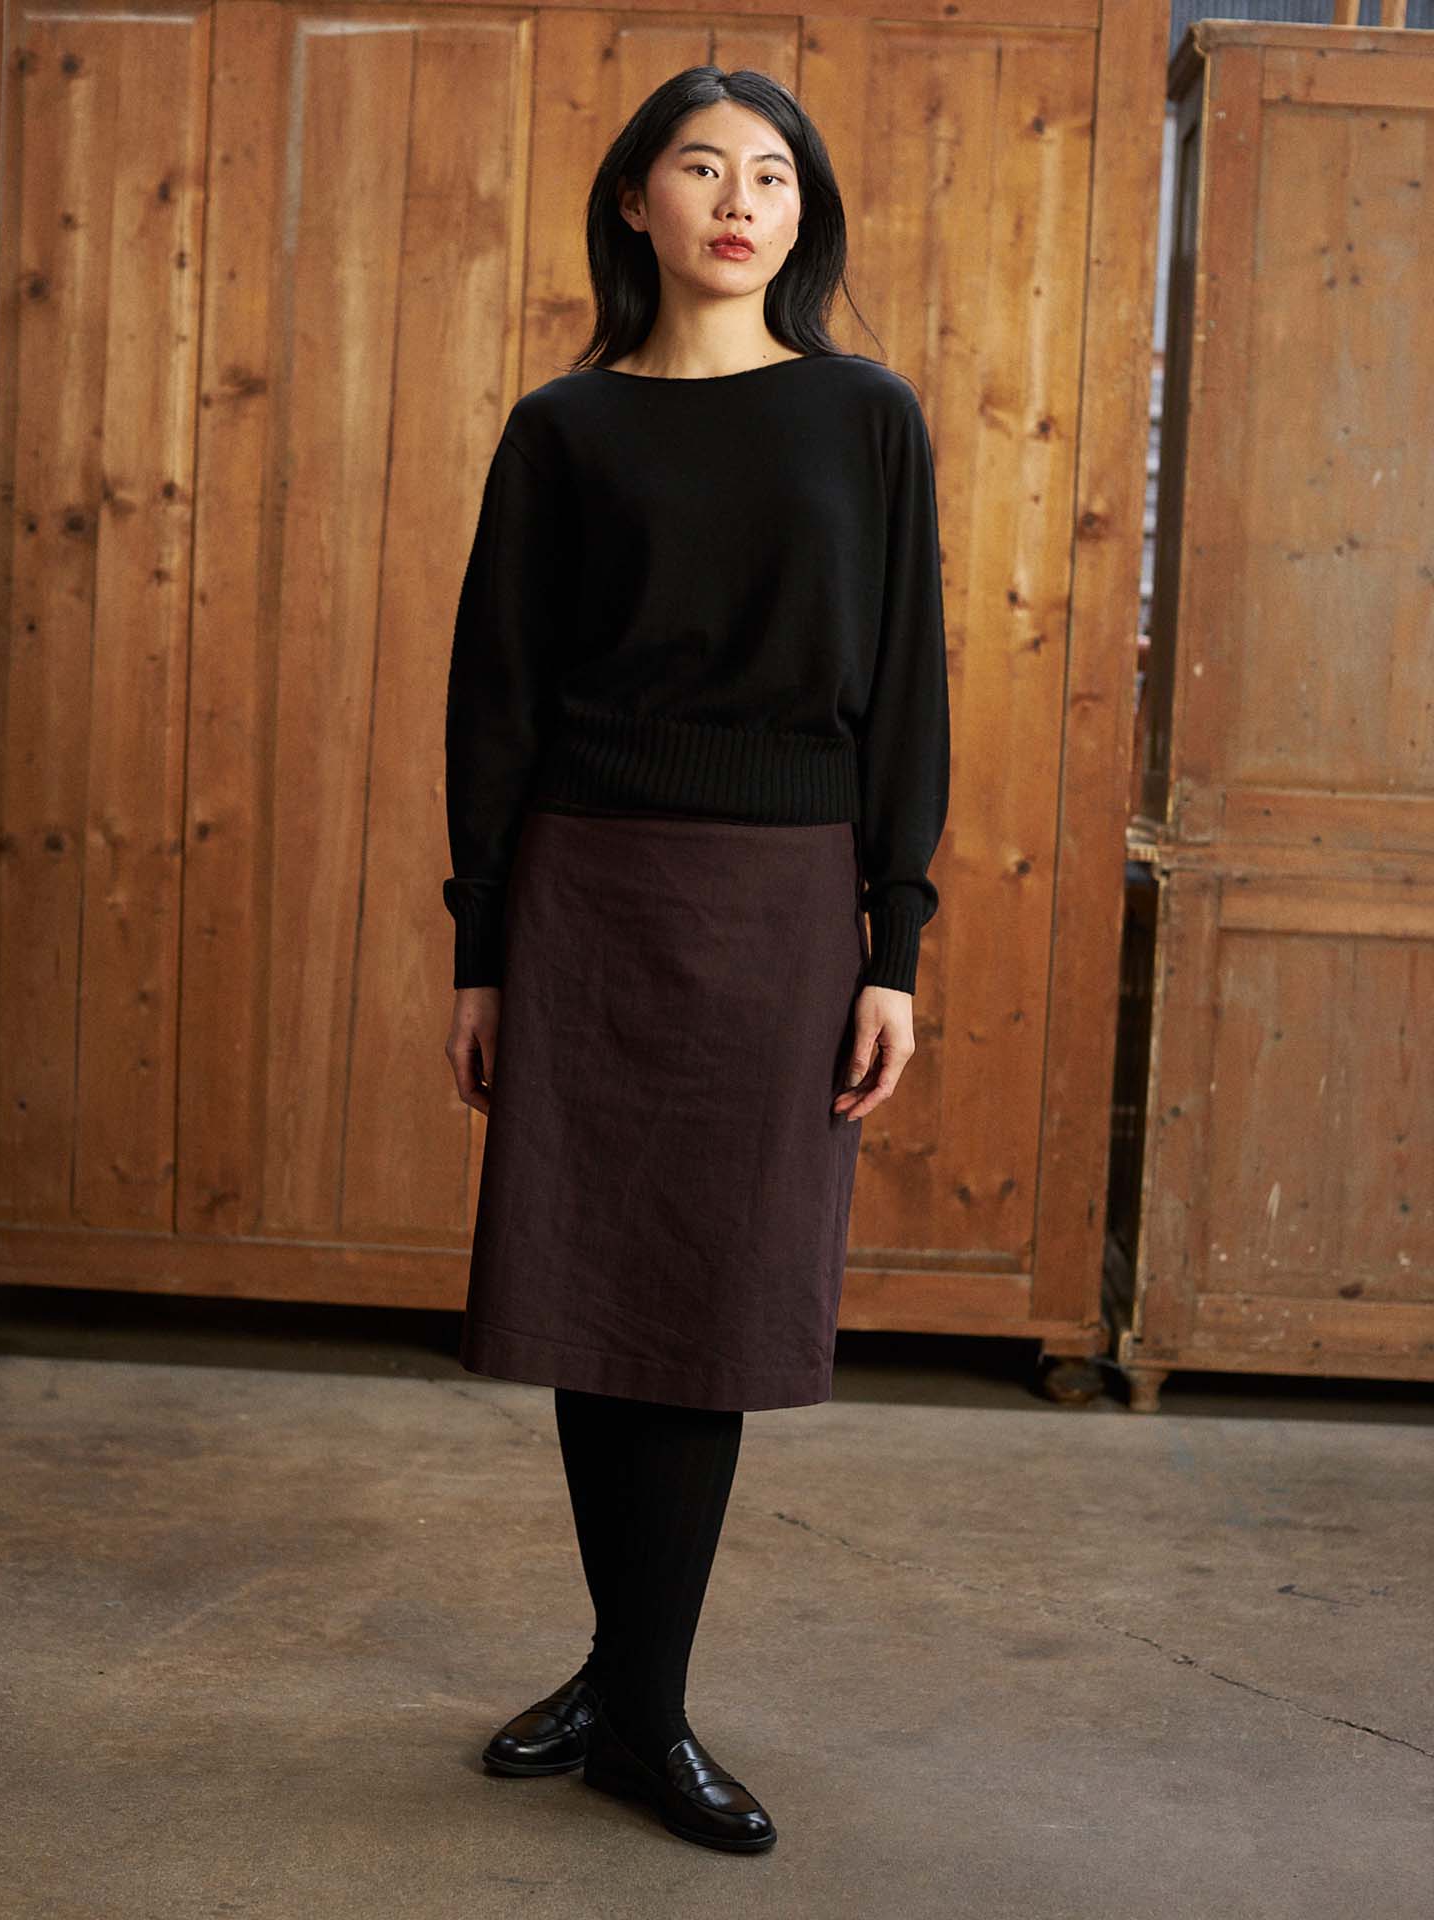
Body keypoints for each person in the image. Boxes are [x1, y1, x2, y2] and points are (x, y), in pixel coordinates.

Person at [440, 65, 949, 1854]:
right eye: (704, 167)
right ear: (635, 200)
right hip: (585, 898)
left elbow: (908, 692)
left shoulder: (864, 416)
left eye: (775, 176)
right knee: (596, 1287)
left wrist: (894, 940)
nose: (743, 202)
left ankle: (634, 1707)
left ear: (804, 213)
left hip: (783, 909)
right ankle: (631, 1694)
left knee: (709, 1304)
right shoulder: (563, 429)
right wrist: (483, 950)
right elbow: (496, 703)